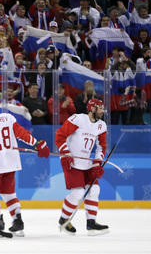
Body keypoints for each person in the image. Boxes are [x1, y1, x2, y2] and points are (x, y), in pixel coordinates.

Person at [0, 96, 50, 237]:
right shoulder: (8, 118)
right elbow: (22, 134)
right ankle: (18, 221)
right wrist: (36, 144)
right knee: (9, 194)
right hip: (10, 163)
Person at [56, 98, 109, 236]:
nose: (103, 111)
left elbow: (102, 146)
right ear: (92, 108)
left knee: (95, 189)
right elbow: (60, 136)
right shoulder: (78, 119)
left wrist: (98, 161)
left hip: (87, 162)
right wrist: (66, 154)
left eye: (103, 108)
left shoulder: (101, 125)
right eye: (100, 108)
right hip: (72, 161)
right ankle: (64, 219)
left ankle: (91, 223)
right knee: (78, 193)